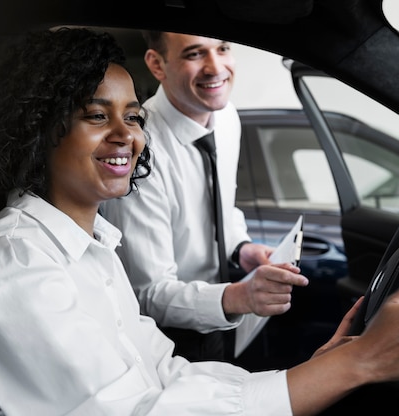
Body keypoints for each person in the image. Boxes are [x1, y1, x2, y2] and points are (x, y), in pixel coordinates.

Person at [0, 27, 399, 415]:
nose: (126, 135)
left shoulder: (92, 244)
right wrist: (360, 364)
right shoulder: (20, 265)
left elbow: (161, 372)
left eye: (132, 116)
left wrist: (314, 371)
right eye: (96, 116)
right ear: (41, 129)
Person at [101, 31, 308, 362]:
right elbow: (147, 293)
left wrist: (241, 248)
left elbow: (223, 205)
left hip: (219, 317)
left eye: (223, 48)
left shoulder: (228, 118)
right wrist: (238, 298)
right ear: (157, 64)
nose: (216, 68)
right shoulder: (137, 149)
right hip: (165, 340)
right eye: (195, 54)